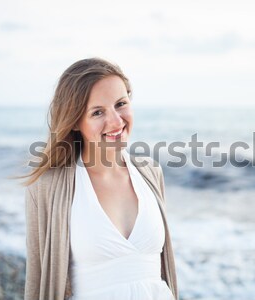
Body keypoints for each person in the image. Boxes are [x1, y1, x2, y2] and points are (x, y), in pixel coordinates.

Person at [21, 58, 179, 299]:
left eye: (121, 104)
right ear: (75, 121)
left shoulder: (150, 173)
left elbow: (162, 273)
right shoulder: (46, 187)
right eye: (97, 112)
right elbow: (37, 278)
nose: (116, 121)